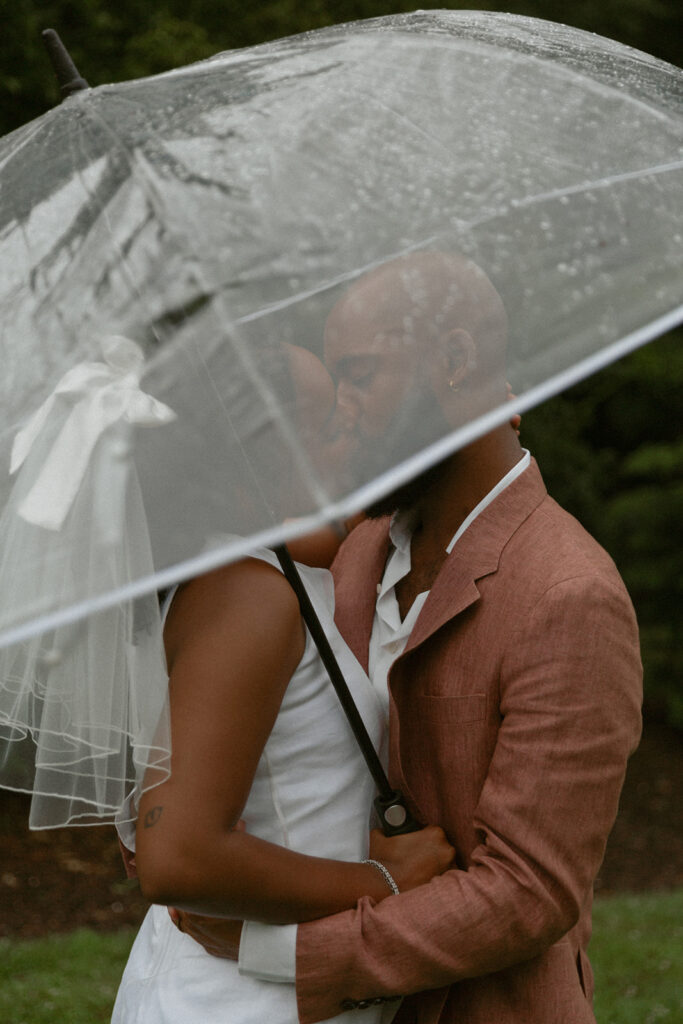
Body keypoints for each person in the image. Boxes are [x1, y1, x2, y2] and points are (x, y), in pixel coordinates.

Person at [174, 252, 643, 1024]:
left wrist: (275, 953)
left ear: (454, 360)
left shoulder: (568, 595)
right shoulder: (355, 548)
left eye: (357, 375)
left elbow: (527, 893)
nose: (339, 411)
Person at [111, 340, 455, 1024]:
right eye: (330, 423)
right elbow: (175, 857)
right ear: (261, 463)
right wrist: (384, 881)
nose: (352, 427)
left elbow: (325, 538)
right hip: (235, 1003)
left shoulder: (259, 562)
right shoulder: (247, 597)